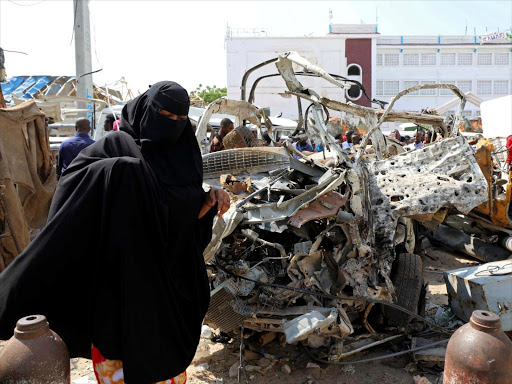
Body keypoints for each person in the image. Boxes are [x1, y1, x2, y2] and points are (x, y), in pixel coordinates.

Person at [0, 81, 231, 383]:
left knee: (166, 369)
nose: (173, 125)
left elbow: (181, 226)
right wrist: (117, 173)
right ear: (147, 110)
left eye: (180, 119)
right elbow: (69, 201)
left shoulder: (184, 156)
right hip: (117, 285)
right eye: (165, 115)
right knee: (118, 367)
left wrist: (207, 200)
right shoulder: (114, 147)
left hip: (163, 289)